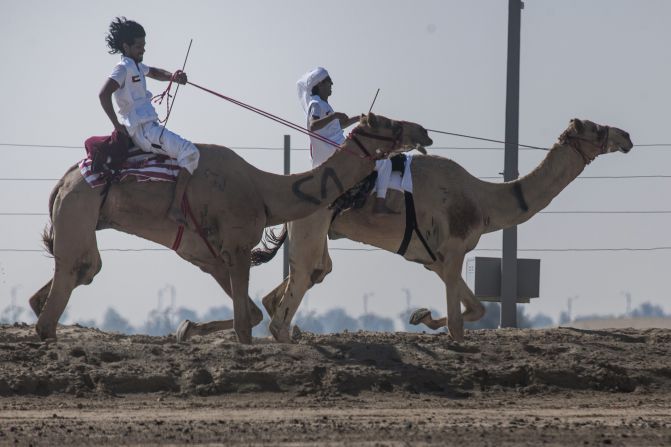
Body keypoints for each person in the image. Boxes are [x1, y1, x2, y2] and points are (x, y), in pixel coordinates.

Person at [98, 17, 199, 225]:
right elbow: (103, 94)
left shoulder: (136, 65)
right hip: (142, 131)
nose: (142, 49)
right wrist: (117, 126)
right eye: (138, 46)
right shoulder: (122, 68)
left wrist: (173, 76)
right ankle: (175, 208)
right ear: (125, 46)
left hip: (150, 127)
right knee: (190, 152)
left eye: (143, 45)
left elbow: (153, 72)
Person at [296, 67, 396, 214]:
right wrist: (334, 115)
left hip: (339, 147)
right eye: (328, 81)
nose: (332, 84)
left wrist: (358, 119)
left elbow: (338, 125)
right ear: (319, 85)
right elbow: (312, 126)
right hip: (333, 152)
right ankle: (379, 204)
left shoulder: (324, 105)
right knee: (384, 163)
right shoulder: (316, 104)